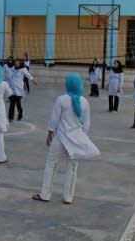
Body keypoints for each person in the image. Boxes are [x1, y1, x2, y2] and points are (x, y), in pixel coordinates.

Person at [32, 73, 100, 204]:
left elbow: (54, 119)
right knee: (73, 168)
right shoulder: (84, 102)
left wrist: (49, 134)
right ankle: (68, 197)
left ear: (68, 84)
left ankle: (45, 194)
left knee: (51, 164)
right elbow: (87, 125)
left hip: (61, 137)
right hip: (76, 139)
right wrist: (81, 137)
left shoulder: (62, 99)